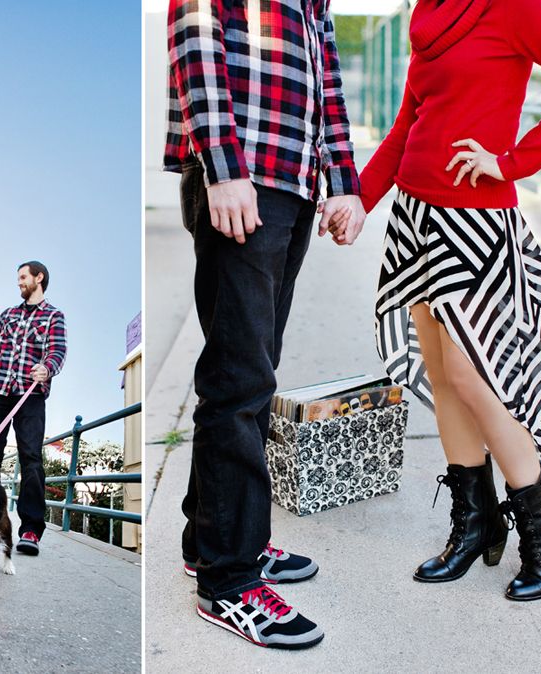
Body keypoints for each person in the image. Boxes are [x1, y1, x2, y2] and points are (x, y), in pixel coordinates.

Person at [333, 0, 541, 601]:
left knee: (472, 377)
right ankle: (474, 527)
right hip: (416, 220)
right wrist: (360, 200)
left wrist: (511, 163)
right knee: (443, 379)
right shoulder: (428, 15)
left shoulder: (516, 7)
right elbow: (406, 128)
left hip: (475, 223)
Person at [164, 0, 366, 648]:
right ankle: (230, 580)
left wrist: (343, 180)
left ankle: (213, 542)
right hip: (241, 177)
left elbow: (326, 78)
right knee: (239, 380)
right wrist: (222, 168)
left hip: (292, 185)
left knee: (248, 372)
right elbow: (195, 37)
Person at [0, 261, 67, 556]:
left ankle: (30, 528)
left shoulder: (54, 315)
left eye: (23, 277)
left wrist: (47, 367)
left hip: (30, 393)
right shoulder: (7, 315)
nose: (18, 282)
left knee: (31, 456)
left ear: (38, 278)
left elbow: (57, 350)